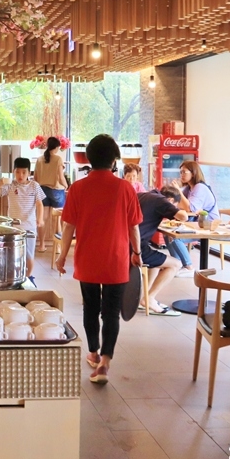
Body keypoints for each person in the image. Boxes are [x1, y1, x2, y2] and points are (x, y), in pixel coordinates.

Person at [55, 135, 142, 385]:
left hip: (88, 259)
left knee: (91, 308)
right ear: (114, 159)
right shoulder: (125, 188)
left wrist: (61, 256)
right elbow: (133, 227)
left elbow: (68, 226)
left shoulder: (78, 188)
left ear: (89, 159)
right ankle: (105, 362)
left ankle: (92, 351)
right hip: (116, 259)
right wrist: (136, 253)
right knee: (111, 312)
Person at [137, 185, 190, 315]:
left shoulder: (143, 195)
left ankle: (144, 300)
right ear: (171, 201)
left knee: (156, 264)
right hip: (135, 247)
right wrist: (176, 209)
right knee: (175, 264)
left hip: (124, 242)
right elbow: (183, 216)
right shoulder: (161, 201)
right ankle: (150, 298)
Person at [0, 158, 45, 277]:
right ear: (13, 172)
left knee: (29, 254)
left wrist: (40, 219)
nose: (20, 175)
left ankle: (28, 277)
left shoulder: (34, 185)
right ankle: (14, 277)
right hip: (13, 227)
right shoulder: (10, 185)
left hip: (29, 226)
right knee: (11, 254)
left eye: (24, 172)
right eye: (18, 172)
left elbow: (39, 203)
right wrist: (0, 183)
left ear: (29, 173)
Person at [33, 137, 68, 252]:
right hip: (56, 190)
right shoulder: (58, 159)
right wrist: (67, 186)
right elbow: (61, 177)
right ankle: (57, 247)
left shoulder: (39, 159)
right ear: (57, 147)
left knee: (43, 218)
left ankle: (41, 245)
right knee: (57, 219)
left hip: (42, 190)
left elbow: (35, 178)